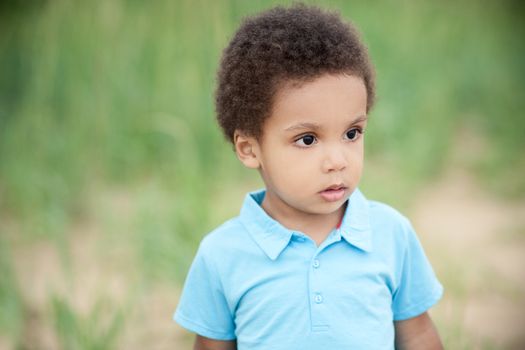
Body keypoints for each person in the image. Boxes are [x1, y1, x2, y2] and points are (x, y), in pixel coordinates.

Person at [174, 4, 443, 350]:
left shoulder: (391, 235)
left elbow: (418, 333)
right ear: (249, 148)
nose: (337, 161)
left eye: (352, 133)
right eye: (307, 140)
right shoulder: (222, 255)